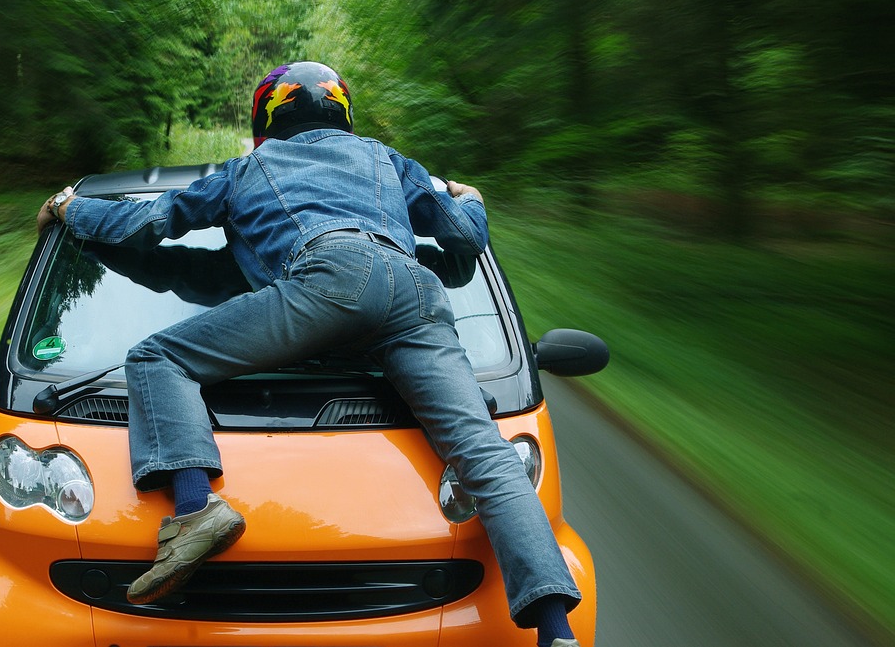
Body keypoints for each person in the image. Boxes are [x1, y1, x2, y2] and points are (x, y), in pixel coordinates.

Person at [36, 62, 583, 647]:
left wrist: (71, 210)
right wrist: (472, 201)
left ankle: (196, 506)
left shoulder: (250, 169)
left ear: (265, 124)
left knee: (156, 358)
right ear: (343, 114)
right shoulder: (385, 160)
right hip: (418, 292)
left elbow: (151, 222)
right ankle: (556, 632)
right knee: (486, 456)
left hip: (329, 280)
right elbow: (465, 237)